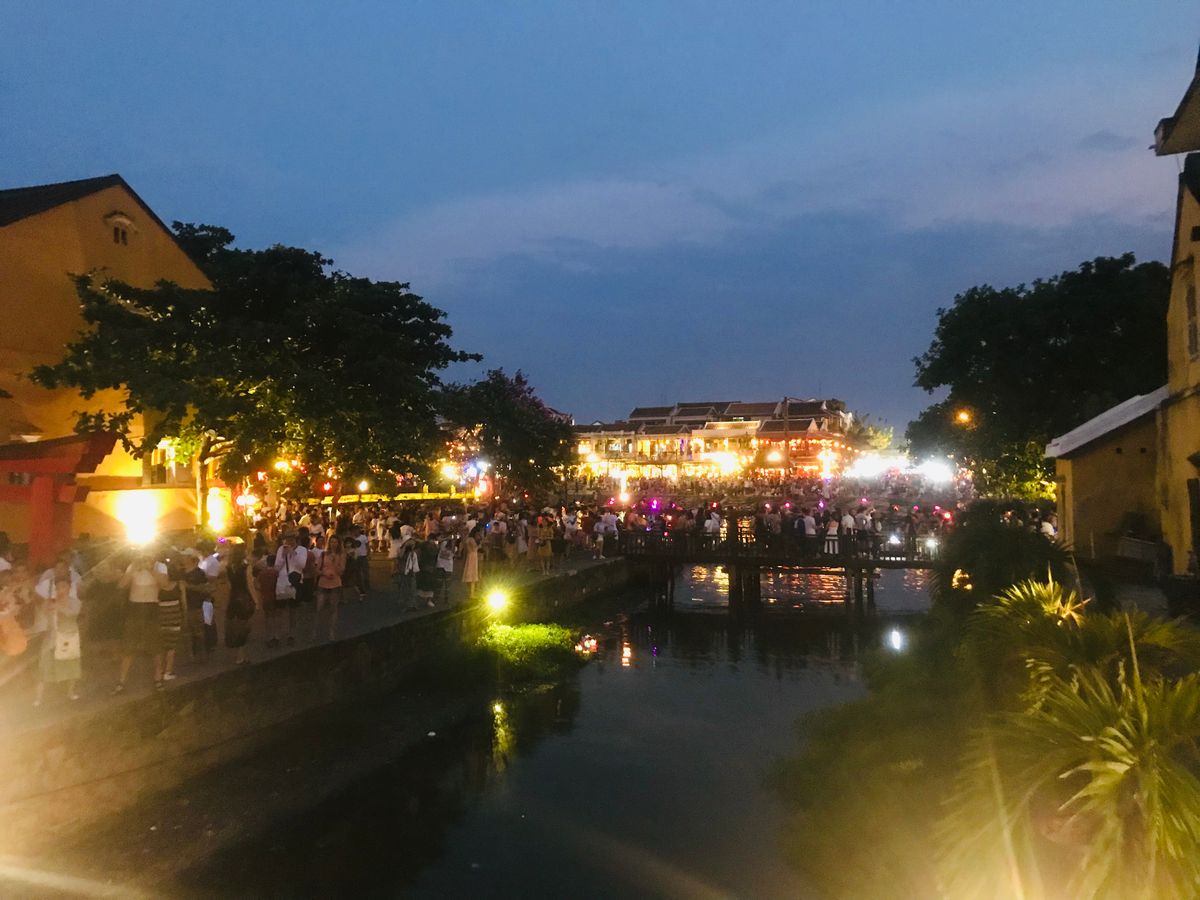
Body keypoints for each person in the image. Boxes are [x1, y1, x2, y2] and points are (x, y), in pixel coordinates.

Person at [113, 552, 163, 693]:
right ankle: (121, 681)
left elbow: (164, 584)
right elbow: (121, 585)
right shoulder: (133, 566)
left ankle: (158, 678)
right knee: (128, 646)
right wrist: (133, 569)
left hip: (151, 608)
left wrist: (151, 569)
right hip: (135, 608)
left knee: (155, 646)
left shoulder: (159, 567)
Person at [33, 576, 81, 706]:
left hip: (69, 638)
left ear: (69, 588)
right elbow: (43, 615)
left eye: (63, 587)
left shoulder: (75, 602)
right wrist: (47, 605)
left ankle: (70, 692)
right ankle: (38, 697)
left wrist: (57, 606)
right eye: (58, 587)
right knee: (44, 667)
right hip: (51, 638)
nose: (60, 590)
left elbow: (71, 614)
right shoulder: (49, 602)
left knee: (71, 666)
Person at [272, 533, 307, 647]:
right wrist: (283, 556)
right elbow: (277, 567)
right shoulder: (281, 549)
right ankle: (277, 636)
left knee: (293, 611)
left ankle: (291, 635)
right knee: (279, 611)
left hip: (295, 582)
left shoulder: (302, 550)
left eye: (291, 539)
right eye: (287, 539)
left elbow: (301, 565)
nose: (289, 542)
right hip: (282, 583)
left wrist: (292, 553)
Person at [156, 558, 185, 689]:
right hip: (175, 617)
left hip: (162, 617)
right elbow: (183, 602)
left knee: (162, 645)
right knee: (172, 646)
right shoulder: (179, 585)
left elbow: (155, 602)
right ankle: (168, 671)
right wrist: (184, 616)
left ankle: (160, 670)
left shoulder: (158, 587)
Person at [225, 545, 256, 663]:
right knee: (245, 627)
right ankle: (241, 655)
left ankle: (238, 654)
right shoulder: (246, 568)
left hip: (233, 598)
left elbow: (229, 586)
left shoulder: (229, 568)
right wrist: (256, 600)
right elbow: (250, 585)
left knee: (236, 626)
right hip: (244, 597)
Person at [314, 535, 346, 641]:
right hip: (323, 583)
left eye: (335, 542)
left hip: (335, 583)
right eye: (332, 542)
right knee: (319, 608)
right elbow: (317, 569)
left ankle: (331, 631)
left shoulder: (341, 555)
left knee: (333, 608)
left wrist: (335, 562)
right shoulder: (323, 554)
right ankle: (316, 630)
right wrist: (324, 573)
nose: (333, 544)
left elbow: (341, 571)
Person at [462, 525, 482, 598]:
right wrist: (479, 541)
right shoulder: (471, 540)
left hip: (471, 556)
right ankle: (471, 594)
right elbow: (475, 547)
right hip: (472, 556)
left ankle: (471, 593)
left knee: (471, 575)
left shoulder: (469, 539)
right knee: (472, 575)